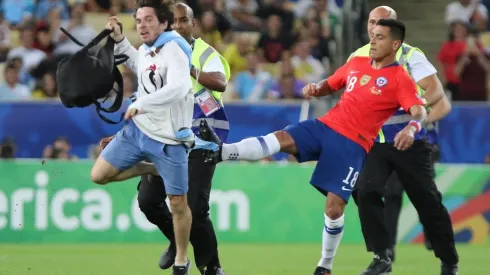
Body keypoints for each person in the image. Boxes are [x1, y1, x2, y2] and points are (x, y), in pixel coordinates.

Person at [200, 19, 427, 275]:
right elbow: (331, 83)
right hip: (325, 126)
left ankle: (325, 265)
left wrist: (411, 128)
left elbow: (419, 111)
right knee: (282, 138)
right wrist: (316, 88)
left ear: (395, 44)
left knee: (333, 208)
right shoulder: (357, 63)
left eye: (380, 37)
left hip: (353, 145)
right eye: (372, 35)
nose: (372, 41)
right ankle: (222, 151)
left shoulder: (399, 78)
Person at [99, 3, 229, 274]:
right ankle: (175, 239)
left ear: (193, 24)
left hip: (200, 139)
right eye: (175, 21)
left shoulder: (205, 53)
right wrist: (122, 134)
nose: (179, 26)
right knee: (147, 201)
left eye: (184, 21)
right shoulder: (156, 50)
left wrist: (188, 69)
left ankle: (210, 266)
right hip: (161, 135)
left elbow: (219, 82)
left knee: (193, 206)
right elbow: (144, 94)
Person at [349, 6, 459, 275]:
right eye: (372, 23)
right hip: (373, 140)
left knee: (428, 203)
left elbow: (435, 90)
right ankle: (381, 257)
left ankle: (449, 260)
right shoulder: (357, 57)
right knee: (365, 190)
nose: (375, 29)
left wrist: (414, 114)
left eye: (382, 24)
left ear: (395, 31)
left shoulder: (411, 55)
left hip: (410, 141)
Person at [91, 0, 195, 274]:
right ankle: (155, 170)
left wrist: (141, 104)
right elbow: (138, 63)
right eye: (139, 21)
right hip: (138, 130)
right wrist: (120, 39)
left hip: (169, 139)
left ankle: (182, 260)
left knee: (178, 204)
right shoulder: (148, 49)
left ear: (164, 23)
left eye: (149, 19)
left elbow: (180, 86)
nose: (142, 25)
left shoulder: (173, 48)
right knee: (98, 175)